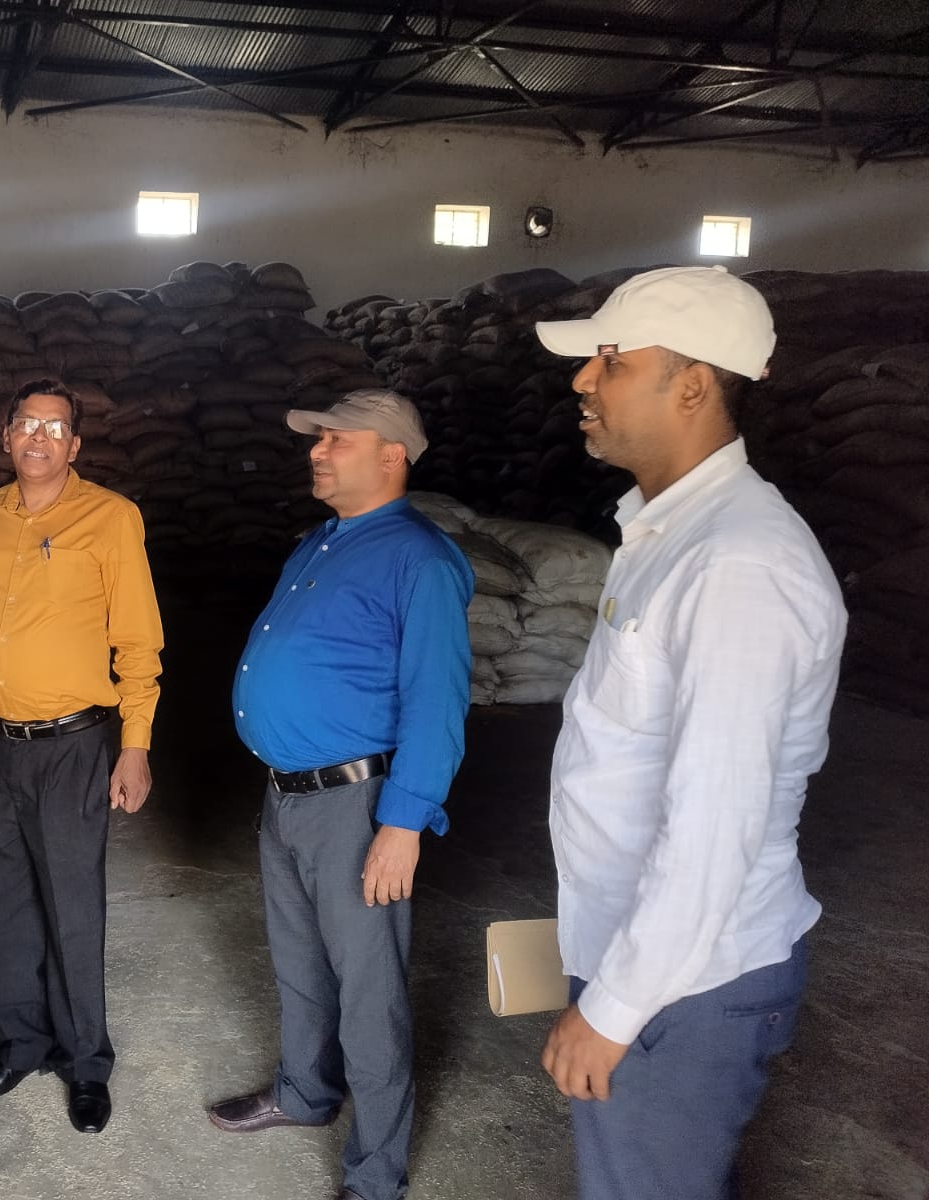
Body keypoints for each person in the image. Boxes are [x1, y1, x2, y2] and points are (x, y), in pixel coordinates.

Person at [533, 266, 847, 1200]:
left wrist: (616, 1007)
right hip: (649, 955)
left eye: (612, 361)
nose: (584, 381)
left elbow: (716, 821)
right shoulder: (668, 536)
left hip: (686, 985)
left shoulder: (738, 564)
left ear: (693, 385)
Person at [208, 390, 473, 1200]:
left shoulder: (420, 560)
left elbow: (437, 701)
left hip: (357, 807)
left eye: (336, 440)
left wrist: (404, 823)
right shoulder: (320, 542)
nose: (317, 452)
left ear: (391, 455)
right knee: (298, 963)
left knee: (368, 992)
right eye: (316, 440)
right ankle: (304, 1093)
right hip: (287, 797)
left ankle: (376, 1174)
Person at [0, 377, 163, 1135]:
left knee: (72, 904)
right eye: (27, 424)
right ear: (6, 437)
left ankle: (86, 1063)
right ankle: (21, 1045)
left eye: (55, 427)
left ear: (75, 445)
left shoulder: (111, 518)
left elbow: (138, 642)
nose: (39, 437)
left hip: (72, 745)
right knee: (2, 901)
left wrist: (135, 746)